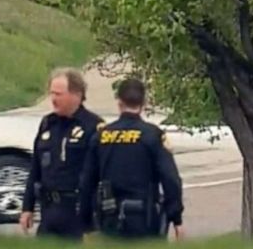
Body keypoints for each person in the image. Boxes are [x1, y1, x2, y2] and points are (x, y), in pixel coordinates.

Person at [79, 78, 184, 240]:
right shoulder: (153, 135)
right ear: (144, 103)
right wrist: (176, 218)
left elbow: (86, 182)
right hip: (145, 220)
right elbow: (171, 179)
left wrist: (86, 223)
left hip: (110, 219)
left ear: (119, 102)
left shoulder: (101, 136)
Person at [20, 68, 104, 239]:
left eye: (59, 94)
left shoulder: (93, 126)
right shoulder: (48, 124)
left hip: (77, 211)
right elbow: (36, 167)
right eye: (52, 93)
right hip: (49, 211)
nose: (53, 99)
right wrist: (27, 207)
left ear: (76, 95)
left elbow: (100, 173)